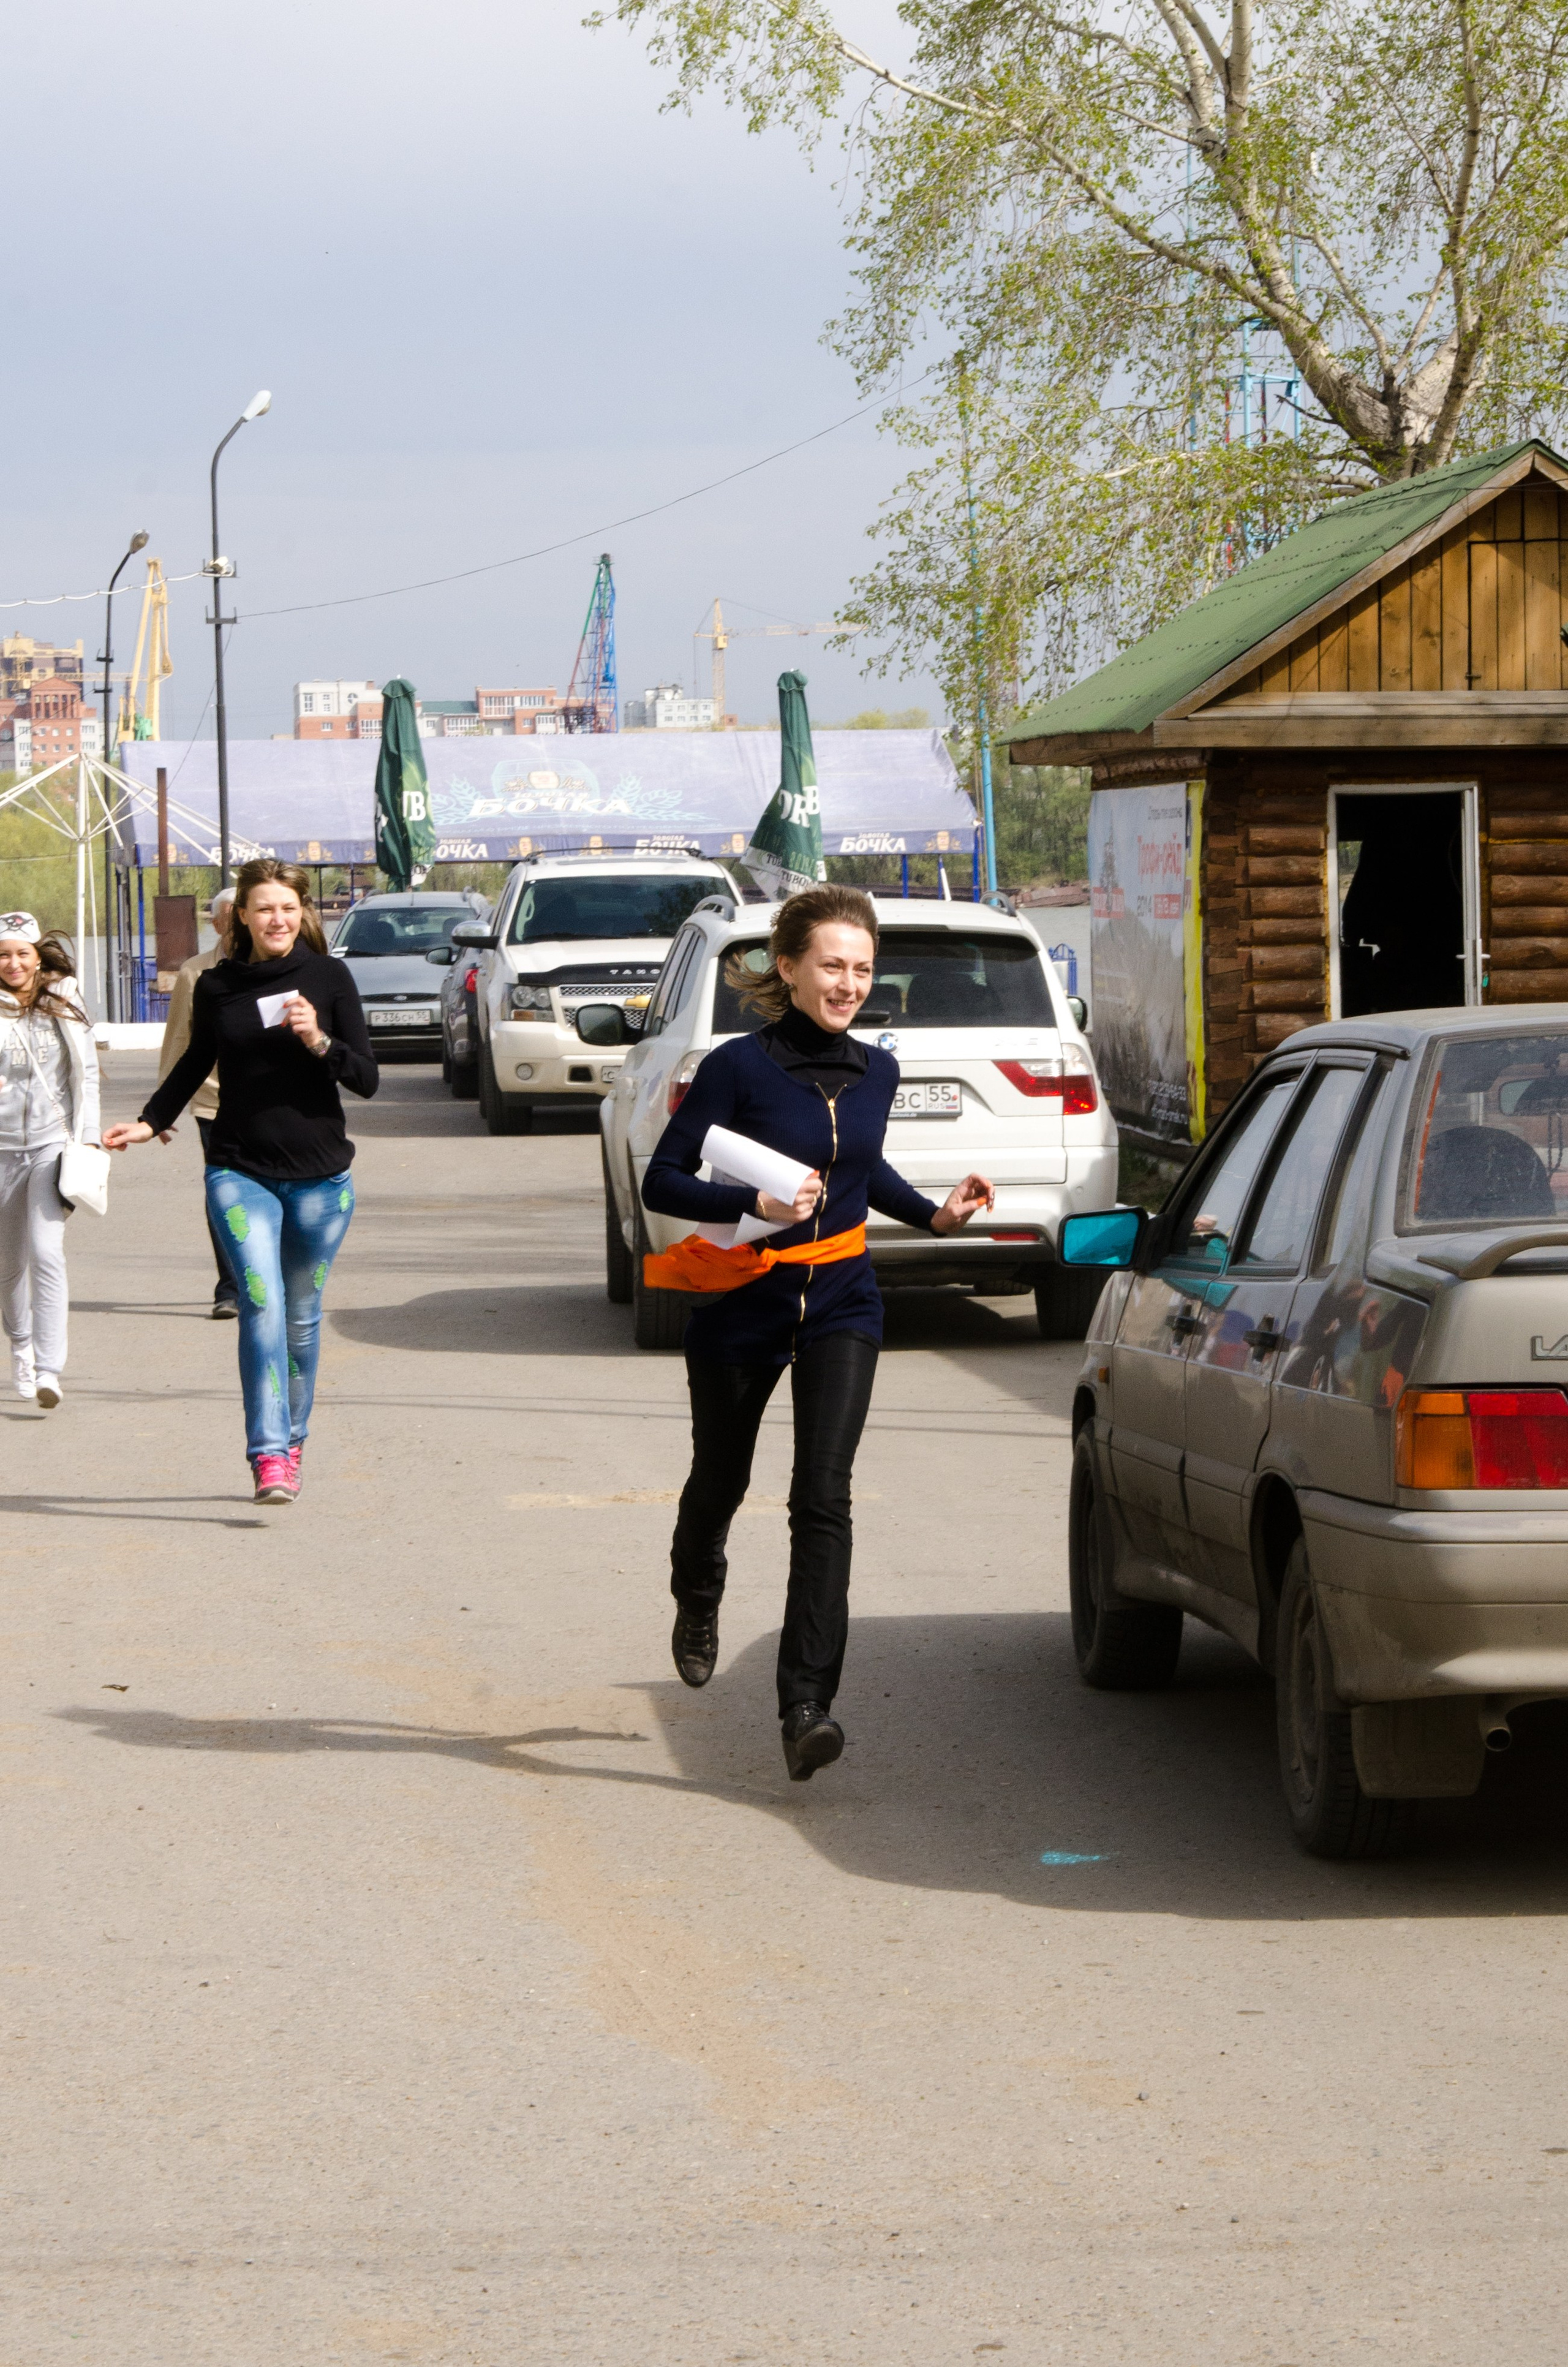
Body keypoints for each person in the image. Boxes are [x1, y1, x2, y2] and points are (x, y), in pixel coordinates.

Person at [640, 884, 994, 1781]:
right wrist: (752, 1205)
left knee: (823, 1497)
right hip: (745, 1301)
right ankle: (698, 1587)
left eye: (863, 970)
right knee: (722, 1478)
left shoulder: (877, 1071)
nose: (849, 985)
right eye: (832, 966)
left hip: (843, 1300)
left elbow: (863, 1173)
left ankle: (806, 1705)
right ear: (789, 967)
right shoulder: (737, 1067)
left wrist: (936, 1215)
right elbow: (662, 1180)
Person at [104, 859, 377, 1504]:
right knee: (261, 1304)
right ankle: (269, 1455)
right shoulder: (217, 985)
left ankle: (294, 1438)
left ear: (303, 913)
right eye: (265, 909)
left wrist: (318, 1040)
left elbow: (366, 1078)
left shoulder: (329, 977)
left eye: (288, 908)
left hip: (320, 1179)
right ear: (243, 918)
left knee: (301, 1319)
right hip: (238, 1168)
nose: (278, 919)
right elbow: (196, 1060)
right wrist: (151, 1121)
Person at [0, 912, 100, 1411]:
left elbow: (87, 1074)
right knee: (8, 1265)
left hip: (51, 1146)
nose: (13, 963)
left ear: (38, 956)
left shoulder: (63, 999)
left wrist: (89, 1139)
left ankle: (49, 1368)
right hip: (1, 1151)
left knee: (47, 1252)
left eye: (22, 953)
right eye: (3, 955)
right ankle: (20, 1345)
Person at [156, 887, 238, 1319]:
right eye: (232, 916)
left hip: (267, 1100)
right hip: (213, 1100)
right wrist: (161, 1110)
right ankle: (230, 1287)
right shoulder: (195, 972)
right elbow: (179, 1037)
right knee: (223, 1191)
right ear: (217, 924)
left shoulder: (275, 967)